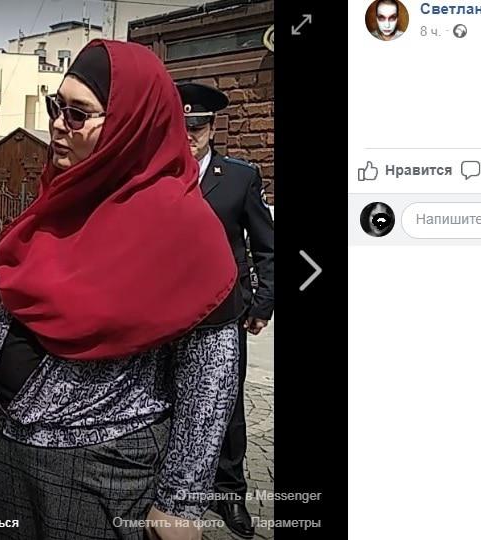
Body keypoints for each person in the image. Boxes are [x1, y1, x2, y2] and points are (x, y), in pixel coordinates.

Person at [0, 40, 242, 540]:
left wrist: (180, 503)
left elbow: (211, 376)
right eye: (56, 107)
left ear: (130, 124)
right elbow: (55, 286)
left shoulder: (184, 228)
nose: (59, 124)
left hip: (105, 469)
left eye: (79, 114)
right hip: (15, 452)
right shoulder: (67, 194)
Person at [177, 81, 275, 539]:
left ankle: (228, 491)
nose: (189, 135)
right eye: (182, 126)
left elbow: (267, 246)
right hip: (167, 310)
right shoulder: (157, 175)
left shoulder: (238, 177)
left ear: (212, 128)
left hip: (225, 310)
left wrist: (263, 303)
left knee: (227, 403)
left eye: (197, 127)